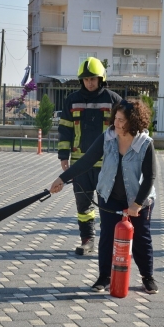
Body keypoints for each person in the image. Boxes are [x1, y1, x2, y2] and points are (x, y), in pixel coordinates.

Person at [50, 99, 158, 294]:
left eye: (121, 120)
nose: (116, 123)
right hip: (109, 195)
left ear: (133, 121)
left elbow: (150, 177)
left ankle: (147, 277)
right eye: (115, 118)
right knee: (107, 236)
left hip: (139, 199)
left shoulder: (145, 143)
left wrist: (137, 204)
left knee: (141, 238)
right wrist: (62, 179)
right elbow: (86, 161)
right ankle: (104, 277)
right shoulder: (107, 137)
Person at [57, 57, 122, 255]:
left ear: (101, 78)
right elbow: (65, 130)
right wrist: (63, 156)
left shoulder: (114, 100)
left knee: (108, 206)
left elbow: (125, 128)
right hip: (80, 163)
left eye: (93, 78)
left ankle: (109, 241)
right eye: (86, 79)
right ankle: (87, 240)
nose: (90, 83)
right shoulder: (72, 100)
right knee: (83, 205)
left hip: (108, 164)